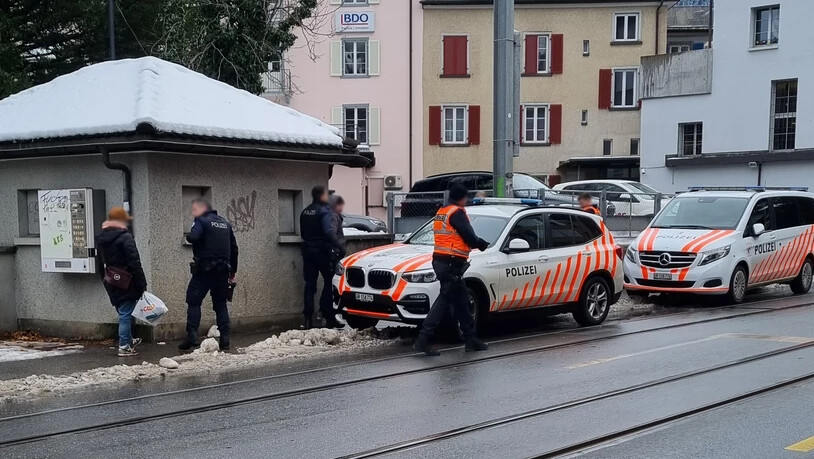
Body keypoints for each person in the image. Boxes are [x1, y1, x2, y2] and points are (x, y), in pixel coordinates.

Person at [414, 183, 490, 356]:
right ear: (461, 198)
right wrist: (482, 244)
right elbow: (469, 236)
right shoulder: (456, 213)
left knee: (462, 300)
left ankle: (471, 339)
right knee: (443, 300)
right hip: (451, 263)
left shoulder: (442, 212)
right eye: (465, 198)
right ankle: (423, 340)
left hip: (442, 261)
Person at [179, 198, 239, 352]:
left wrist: (190, 235)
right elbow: (234, 248)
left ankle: (192, 336)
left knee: (193, 300)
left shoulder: (201, 220)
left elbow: (194, 237)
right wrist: (233, 272)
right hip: (223, 271)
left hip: (205, 270)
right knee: (220, 305)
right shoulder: (225, 223)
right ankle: (225, 339)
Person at [96, 207, 147, 357]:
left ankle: (129, 340)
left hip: (110, 279)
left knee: (124, 309)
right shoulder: (125, 237)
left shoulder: (102, 238)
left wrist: (104, 279)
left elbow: (100, 262)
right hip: (126, 280)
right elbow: (134, 262)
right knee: (125, 313)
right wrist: (142, 283)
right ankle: (124, 346)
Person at [300, 186, 345, 329]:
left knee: (310, 284)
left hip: (308, 251)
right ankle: (327, 315)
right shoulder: (325, 211)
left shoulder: (305, 211)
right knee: (329, 282)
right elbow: (329, 232)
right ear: (321, 196)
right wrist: (340, 246)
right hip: (323, 252)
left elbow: (303, 233)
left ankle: (308, 319)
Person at [328, 194, 347, 264]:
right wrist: (340, 248)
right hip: (335, 251)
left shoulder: (330, 214)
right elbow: (332, 233)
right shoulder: (333, 216)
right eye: (341, 205)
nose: (342, 208)